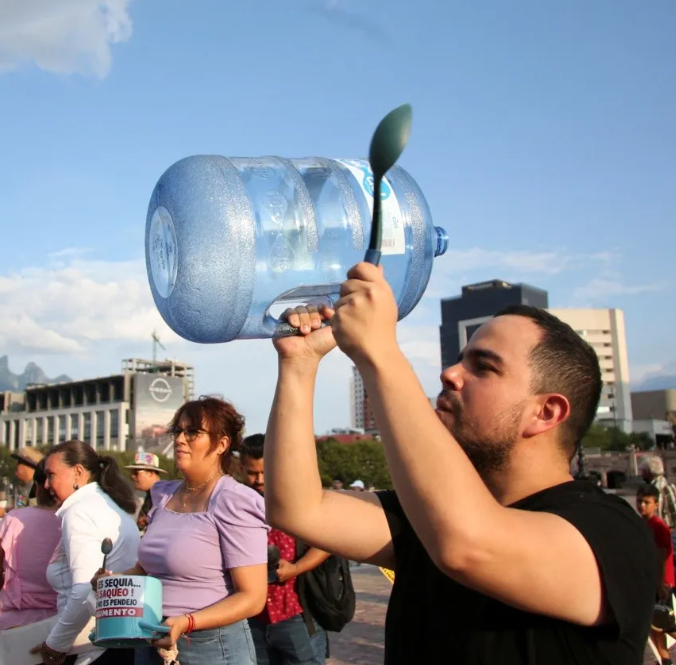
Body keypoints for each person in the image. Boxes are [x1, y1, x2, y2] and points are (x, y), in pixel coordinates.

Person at [264, 262, 658, 664]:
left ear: (546, 413)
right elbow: (298, 509)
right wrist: (299, 363)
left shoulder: (611, 533)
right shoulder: (430, 517)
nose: (449, 373)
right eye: (459, 360)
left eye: (483, 367)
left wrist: (379, 352)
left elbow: (468, 546)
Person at [100, 396, 268, 665]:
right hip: (150, 637)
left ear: (222, 444)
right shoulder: (162, 494)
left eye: (193, 432)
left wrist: (187, 622)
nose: (180, 439)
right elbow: (147, 570)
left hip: (211, 647)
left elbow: (253, 597)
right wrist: (112, 581)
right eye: (178, 431)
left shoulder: (236, 500)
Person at [33, 441, 140, 665]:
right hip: (112, 636)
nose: (45, 484)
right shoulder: (107, 503)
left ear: (78, 472)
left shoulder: (80, 511)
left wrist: (54, 648)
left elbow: (83, 591)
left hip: (90, 647)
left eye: (51, 475)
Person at [239, 435, 329, 665]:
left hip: (296, 614)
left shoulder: (298, 498)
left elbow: (325, 543)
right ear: (241, 467)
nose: (259, 479)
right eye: (252, 473)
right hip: (252, 618)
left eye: (264, 472)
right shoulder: (234, 502)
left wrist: (295, 568)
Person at [0, 459, 62, 637]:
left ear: (38, 487)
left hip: (12, 626)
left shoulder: (13, 519)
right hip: (59, 626)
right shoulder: (73, 523)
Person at [638, 484, 676, 665]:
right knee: (656, 629)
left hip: (662, 584)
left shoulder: (658, 527)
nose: (642, 505)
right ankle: (666, 662)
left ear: (655, 504)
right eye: (640, 501)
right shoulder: (644, 524)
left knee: (666, 625)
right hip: (652, 583)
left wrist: (661, 584)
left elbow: (661, 557)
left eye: (646, 502)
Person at [0, 447, 45, 519]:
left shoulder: (37, 489)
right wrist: (7, 510)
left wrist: (4, 513)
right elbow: (21, 508)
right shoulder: (26, 488)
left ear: (28, 466)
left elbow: (31, 516)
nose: (17, 466)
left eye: (19, 462)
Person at [124, 453, 167, 531]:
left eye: (136, 472)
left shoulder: (164, 496)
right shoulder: (153, 494)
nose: (132, 476)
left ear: (150, 473)